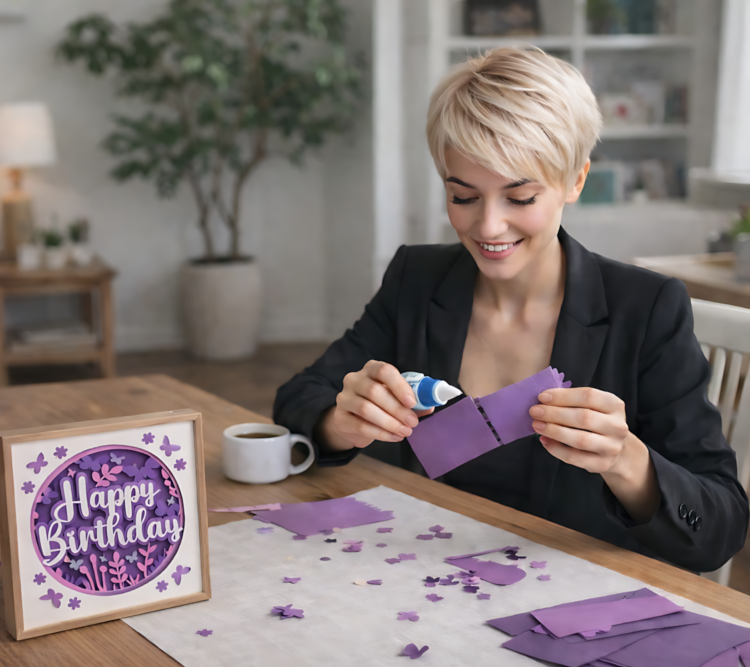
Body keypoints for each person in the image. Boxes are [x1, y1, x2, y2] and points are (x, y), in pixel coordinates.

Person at [273, 47, 747, 573]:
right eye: (464, 196)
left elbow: (721, 525)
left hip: (575, 601)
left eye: (519, 198)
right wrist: (343, 421)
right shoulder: (417, 278)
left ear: (576, 180)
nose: (488, 226)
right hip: (419, 579)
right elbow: (298, 399)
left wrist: (628, 461)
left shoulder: (648, 308)